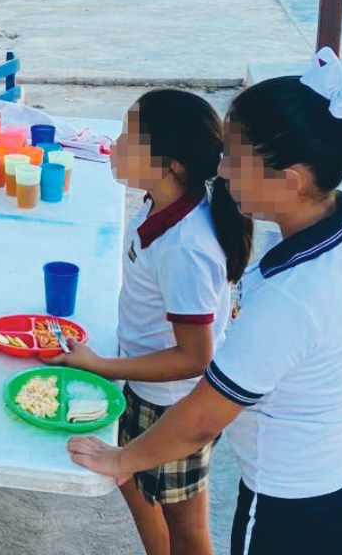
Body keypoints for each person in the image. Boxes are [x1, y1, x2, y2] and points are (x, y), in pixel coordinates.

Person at [68, 58, 342, 555]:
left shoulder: (291, 297)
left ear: (291, 179)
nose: (222, 169)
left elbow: (204, 417)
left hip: (306, 510)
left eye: (235, 156)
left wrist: (123, 460)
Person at [49, 89, 252, 555]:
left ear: (172, 165)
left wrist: (101, 366)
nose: (116, 144)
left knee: (187, 524)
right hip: (146, 387)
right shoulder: (158, 205)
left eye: (130, 138)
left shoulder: (187, 247)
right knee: (135, 483)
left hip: (172, 405)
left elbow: (194, 357)